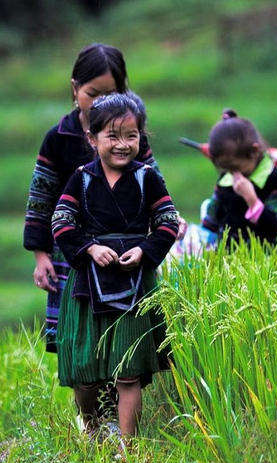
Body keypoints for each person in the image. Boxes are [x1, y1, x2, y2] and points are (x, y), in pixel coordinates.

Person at [23, 42, 175, 353]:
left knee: (122, 333)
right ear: (74, 88)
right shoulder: (58, 138)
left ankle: (119, 388)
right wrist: (41, 256)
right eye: (92, 94)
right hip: (75, 252)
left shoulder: (131, 138)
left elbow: (155, 183)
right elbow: (41, 198)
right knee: (80, 333)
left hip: (122, 252)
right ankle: (88, 395)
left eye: (110, 94)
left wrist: (170, 219)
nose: (99, 103)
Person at [51, 93, 179, 439]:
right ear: (92, 139)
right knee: (85, 372)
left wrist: (145, 251)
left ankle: (127, 449)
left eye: (132, 135)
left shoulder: (146, 178)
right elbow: (61, 221)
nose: (123, 144)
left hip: (135, 284)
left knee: (128, 372)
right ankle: (91, 428)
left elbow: (169, 222)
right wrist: (90, 248)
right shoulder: (81, 179)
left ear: (141, 137)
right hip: (87, 286)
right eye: (113, 135)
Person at [200, 111, 277, 248]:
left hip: (261, 255)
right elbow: (211, 221)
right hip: (226, 254)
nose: (233, 174)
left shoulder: (276, 179)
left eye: (236, 167)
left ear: (255, 151)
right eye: (226, 169)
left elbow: (274, 228)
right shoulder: (226, 178)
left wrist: (251, 199)